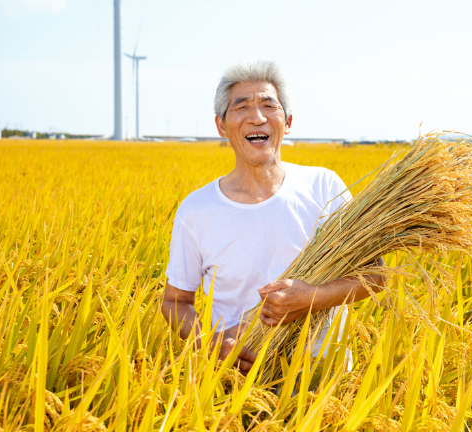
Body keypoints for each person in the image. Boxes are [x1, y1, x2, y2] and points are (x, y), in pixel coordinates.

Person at [160, 59, 386, 373]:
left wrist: (314, 297)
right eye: (241, 107)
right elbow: (174, 302)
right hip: (236, 382)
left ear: (288, 121)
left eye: (269, 105)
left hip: (323, 378)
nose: (257, 117)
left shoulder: (325, 187)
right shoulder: (197, 209)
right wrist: (206, 341)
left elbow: (376, 276)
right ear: (221, 125)